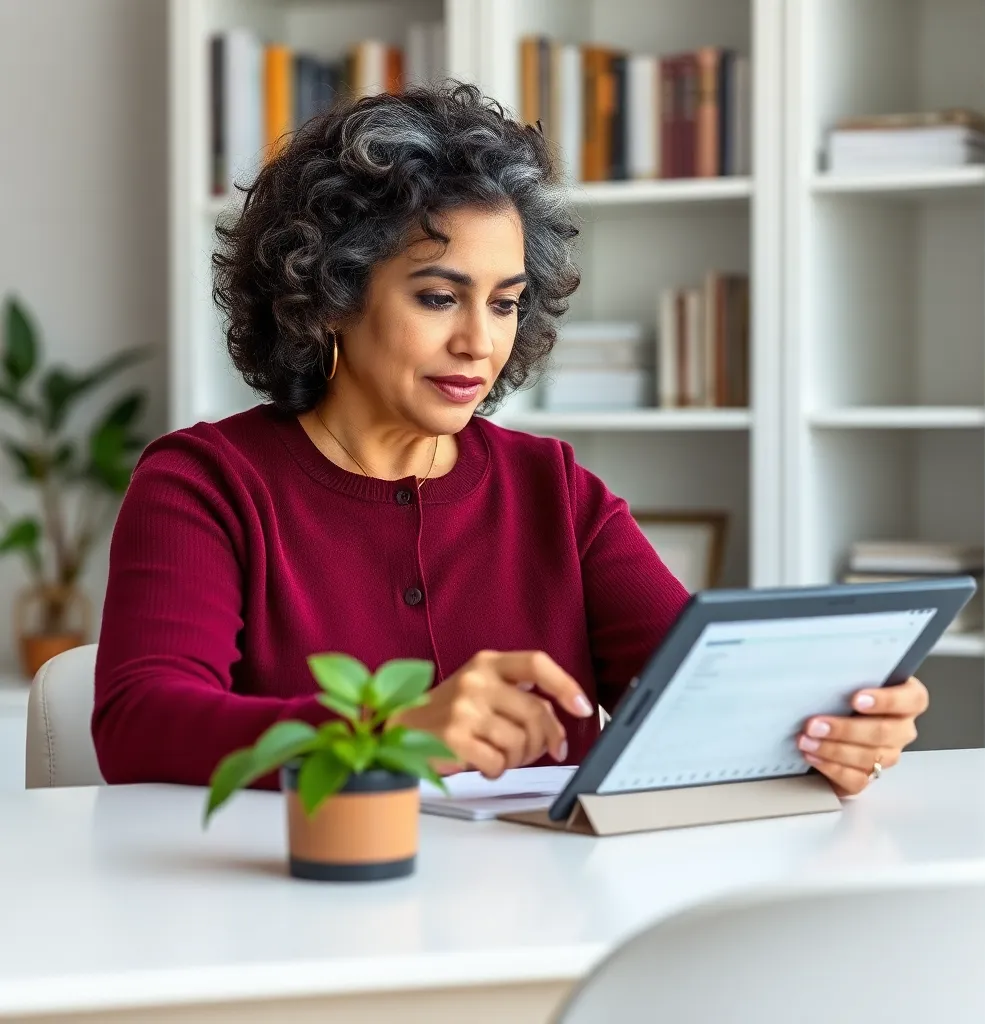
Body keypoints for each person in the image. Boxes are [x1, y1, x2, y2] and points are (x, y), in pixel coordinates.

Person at [92, 83, 927, 798]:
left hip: (561, 918)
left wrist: (833, 728)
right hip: (312, 912)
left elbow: (696, 695)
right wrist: (394, 729)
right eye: (437, 296)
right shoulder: (204, 482)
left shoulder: (552, 488)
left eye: (503, 302)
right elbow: (138, 721)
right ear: (329, 296)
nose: (479, 344)